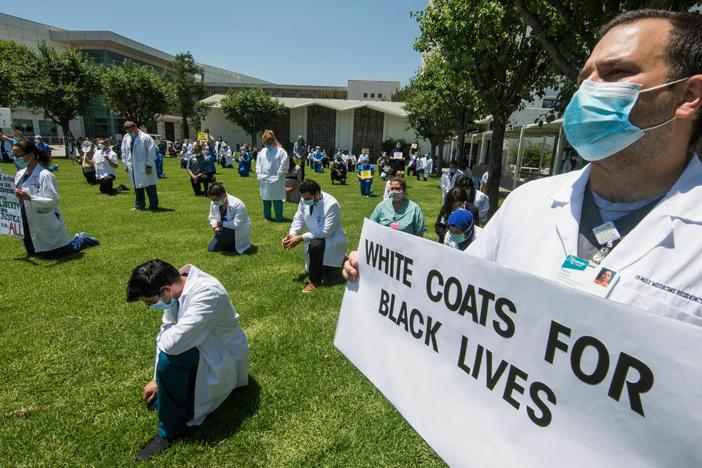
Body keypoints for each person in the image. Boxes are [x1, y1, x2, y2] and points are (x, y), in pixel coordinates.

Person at [345, 10, 702, 325]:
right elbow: (458, 290)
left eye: (617, 72)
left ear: (688, 95)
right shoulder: (526, 201)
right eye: (584, 78)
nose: (588, 91)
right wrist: (383, 269)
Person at [126, 259, 249, 461]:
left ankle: (169, 431)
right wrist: (157, 379)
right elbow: (167, 330)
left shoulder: (207, 293)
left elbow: (172, 344)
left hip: (221, 351)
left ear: (165, 290)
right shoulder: (176, 290)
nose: (151, 307)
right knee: (167, 358)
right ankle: (174, 393)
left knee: (168, 361)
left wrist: (161, 371)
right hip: (200, 343)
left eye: (150, 302)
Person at [12, 140, 99, 258]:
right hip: (26, 219)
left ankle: (81, 239)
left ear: (31, 155)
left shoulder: (45, 175)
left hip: (44, 220)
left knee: (54, 253)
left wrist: (29, 198)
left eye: (17, 155)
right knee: (33, 253)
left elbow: (53, 201)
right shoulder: (20, 174)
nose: (15, 158)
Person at [282, 179, 347, 293]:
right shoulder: (304, 200)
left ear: (317, 193)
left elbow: (326, 231)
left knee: (315, 245)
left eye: (307, 198)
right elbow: (299, 218)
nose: (304, 201)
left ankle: (314, 281)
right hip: (316, 235)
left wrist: (301, 238)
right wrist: (292, 235)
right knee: (320, 253)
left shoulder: (331, 204)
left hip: (332, 238)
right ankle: (341, 260)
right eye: (303, 198)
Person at [121, 121, 159, 211]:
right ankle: (139, 205)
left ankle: (153, 206)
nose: (129, 134)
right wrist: (125, 165)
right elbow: (124, 152)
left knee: (150, 185)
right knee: (137, 186)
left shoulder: (146, 137)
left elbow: (151, 152)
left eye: (130, 131)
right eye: (127, 132)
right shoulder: (126, 137)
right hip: (132, 166)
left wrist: (149, 165)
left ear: (135, 128)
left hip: (145, 165)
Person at [207, 183, 251, 254]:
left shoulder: (238, 205)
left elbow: (237, 224)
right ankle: (226, 241)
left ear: (224, 195)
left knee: (232, 249)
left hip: (237, 231)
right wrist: (214, 225)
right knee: (211, 249)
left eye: (216, 199)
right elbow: (212, 216)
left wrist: (220, 224)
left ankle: (231, 242)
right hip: (221, 229)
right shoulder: (214, 202)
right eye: (212, 199)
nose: (214, 202)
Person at [256, 129, 289, 222]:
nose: (266, 145)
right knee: (266, 198)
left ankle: (279, 216)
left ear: (272, 141)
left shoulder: (280, 151)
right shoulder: (262, 151)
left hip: (276, 179)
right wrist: (259, 174)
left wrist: (278, 175)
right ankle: (267, 216)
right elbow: (258, 164)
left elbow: (284, 164)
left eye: (268, 143)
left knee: (277, 198)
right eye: (264, 143)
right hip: (264, 179)